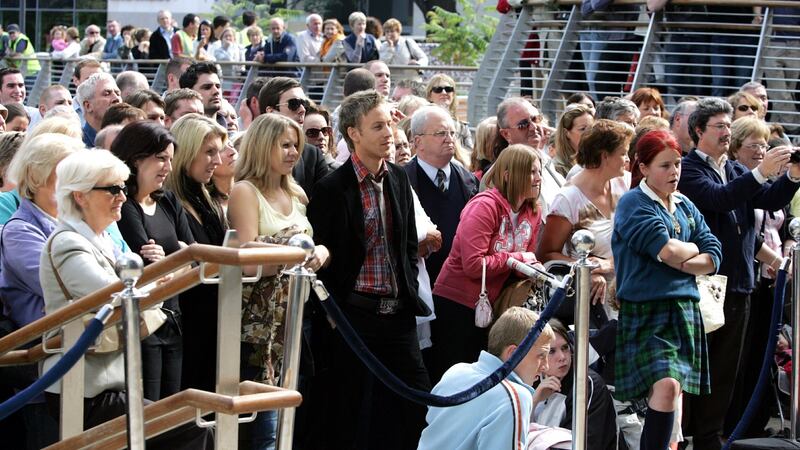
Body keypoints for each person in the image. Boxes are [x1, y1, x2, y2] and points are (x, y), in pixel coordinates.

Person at [40, 148, 212, 449]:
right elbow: (115, 295)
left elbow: (134, 288)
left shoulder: (104, 238)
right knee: (190, 427)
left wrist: (160, 282)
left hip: (110, 384)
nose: (122, 195)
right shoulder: (67, 242)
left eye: (123, 187)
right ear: (80, 196)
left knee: (191, 423)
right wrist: (161, 283)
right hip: (82, 389)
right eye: (113, 189)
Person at [306, 90, 431, 450]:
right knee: (352, 412)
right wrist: (335, 315)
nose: (389, 132)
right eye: (377, 126)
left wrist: (407, 293)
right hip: (353, 319)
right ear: (353, 134)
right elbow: (326, 259)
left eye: (389, 123)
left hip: (399, 318)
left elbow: (407, 245)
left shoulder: (398, 177)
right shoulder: (331, 188)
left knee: (417, 403)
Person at [678, 97, 800, 450]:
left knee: (727, 369)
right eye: (719, 126)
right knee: (699, 366)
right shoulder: (689, 170)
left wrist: (791, 175)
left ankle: (709, 435)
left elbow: (768, 199)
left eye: (729, 126)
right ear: (699, 130)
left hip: (741, 282)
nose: (726, 132)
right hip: (706, 283)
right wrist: (762, 172)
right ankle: (684, 435)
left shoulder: (733, 168)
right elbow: (720, 198)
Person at [613, 129, 722, 450]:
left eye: (677, 164)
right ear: (643, 168)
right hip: (647, 309)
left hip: (684, 310)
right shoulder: (633, 202)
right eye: (665, 165)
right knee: (666, 385)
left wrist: (687, 261)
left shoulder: (685, 204)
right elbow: (665, 250)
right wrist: (688, 254)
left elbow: (714, 250)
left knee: (673, 392)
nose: (674, 172)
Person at [228, 113, 330, 449]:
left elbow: (311, 243)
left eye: (295, 146)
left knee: (289, 413)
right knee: (266, 423)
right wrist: (294, 251)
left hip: (298, 316)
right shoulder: (244, 191)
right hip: (261, 325)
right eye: (284, 145)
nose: (292, 152)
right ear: (261, 146)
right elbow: (244, 250)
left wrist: (320, 252)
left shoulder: (298, 193)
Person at [429, 144, 543, 383]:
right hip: (457, 305)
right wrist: (517, 259)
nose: (538, 178)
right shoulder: (485, 205)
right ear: (508, 174)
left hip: (495, 308)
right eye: (531, 172)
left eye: (539, 171)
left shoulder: (532, 211)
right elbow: (473, 264)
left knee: (482, 381)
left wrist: (531, 271)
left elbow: (522, 264)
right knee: (454, 379)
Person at [0, 134, 81, 448]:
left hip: (80, 361)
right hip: (44, 369)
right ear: (37, 176)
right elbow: (65, 284)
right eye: (66, 173)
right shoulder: (21, 229)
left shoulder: (77, 223)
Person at [112, 121, 193, 401]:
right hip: (145, 324)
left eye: (170, 159)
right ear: (136, 159)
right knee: (149, 405)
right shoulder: (125, 204)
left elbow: (195, 254)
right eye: (160, 159)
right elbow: (145, 261)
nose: (168, 168)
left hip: (174, 319)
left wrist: (174, 257)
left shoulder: (169, 200)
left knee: (172, 405)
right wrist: (179, 255)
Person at [723, 116, 790, 437]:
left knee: (762, 352)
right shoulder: (738, 177)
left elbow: (778, 205)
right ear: (736, 147)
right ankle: (735, 423)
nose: (761, 151)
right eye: (754, 145)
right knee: (743, 356)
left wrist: (791, 174)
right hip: (748, 277)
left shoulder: (764, 181)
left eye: (765, 145)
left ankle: (755, 419)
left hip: (770, 278)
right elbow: (747, 233)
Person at [418, 307, 555, 450]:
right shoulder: (515, 396)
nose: (545, 366)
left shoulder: (456, 371)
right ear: (514, 354)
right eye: (541, 355)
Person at [540, 118, 633, 315]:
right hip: (592, 300)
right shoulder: (568, 199)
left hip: (628, 286)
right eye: (623, 153)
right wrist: (586, 271)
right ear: (604, 156)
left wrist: (612, 264)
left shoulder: (624, 181)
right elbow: (547, 255)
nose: (628, 159)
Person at [166, 114, 227, 393]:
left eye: (219, 152)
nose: (218, 160)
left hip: (216, 318)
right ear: (187, 152)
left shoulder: (208, 199)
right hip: (188, 325)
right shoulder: (169, 202)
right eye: (209, 152)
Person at [531, 319, 618, 450]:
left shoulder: (586, 384)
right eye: (551, 351)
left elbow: (578, 445)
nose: (562, 357)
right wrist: (534, 400)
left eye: (565, 348)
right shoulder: (532, 379)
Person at [426, 73, 473, 153]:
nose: (444, 92)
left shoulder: (462, 127)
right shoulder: (423, 122)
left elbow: (470, 152)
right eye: (438, 89)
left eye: (448, 89)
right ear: (430, 95)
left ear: (453, 94)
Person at [77, 72, 122, 147]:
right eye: (107, 93)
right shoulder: (77, 145)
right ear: (88, 106)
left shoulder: (127, 139)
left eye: (118, 93)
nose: (116, 98)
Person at [552, 104, 594, 177]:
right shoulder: (557, 168)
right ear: (566, 133)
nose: (589, 133)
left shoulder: (600, 160)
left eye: (591, 128)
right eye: (582, 129)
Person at [303, 104, 338, 170]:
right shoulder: (291, 172)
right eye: (313, 132)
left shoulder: (341, 171)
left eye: (325, 130)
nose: (321, 137)